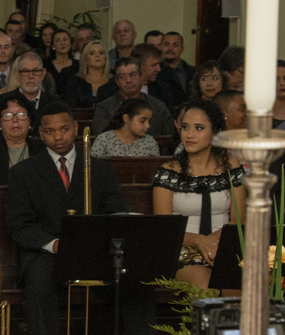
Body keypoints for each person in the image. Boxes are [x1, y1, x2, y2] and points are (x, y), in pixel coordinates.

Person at [5, 102, 157, 335]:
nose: (58, 136)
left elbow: (115, 212)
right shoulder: (23, 172)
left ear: (75, 129)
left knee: (135, 282)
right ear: (40, 134)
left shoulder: (100, 169)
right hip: (47, 251)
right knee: (38, 286)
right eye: (50, 131)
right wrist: (53, 244)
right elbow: (19, 224)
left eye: (64, 129)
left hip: (96, 251)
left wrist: (97, 243)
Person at [152, 101, 245, 291]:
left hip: (223, 247)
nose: (189, 134)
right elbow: (165, 229)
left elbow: (238, 220)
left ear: (215, 132)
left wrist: (213, 243)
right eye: (185, 127)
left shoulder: (232, 167)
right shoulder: (168, 172)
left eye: (199, 128)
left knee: (236, 288)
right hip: (181, 251)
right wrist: (198, 240)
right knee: (207, 286)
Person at [92, 59, 173, 136]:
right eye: (122, 77)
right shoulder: (105, 109)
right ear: (117, 81)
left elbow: (168, 137)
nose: (128, 80)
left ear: (140, 76)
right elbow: (102, 139)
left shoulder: (158, 107)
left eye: (133, 75)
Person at [0, 52, 56, 128]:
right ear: (17, 74)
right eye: (25, 71)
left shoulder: (55, 104)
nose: (31, 76)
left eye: (35, 71)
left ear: (43, 74)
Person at [90, 97, 161, 158]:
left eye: (149, 121)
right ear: (126, 119)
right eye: (142, 121)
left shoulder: (149, 142)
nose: (148, 126)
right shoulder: (104, 140)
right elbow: (94, 167)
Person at [63, 39, 111, 108]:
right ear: (86, 60)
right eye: (92, 53)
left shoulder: (114, 82)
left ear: (105, 59)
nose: (97, 55)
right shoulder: (74, 83)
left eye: (101, 53)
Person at [159, 31, 195, 99]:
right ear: (160, 47)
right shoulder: (155, 72)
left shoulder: (193, 72)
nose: (170, 48)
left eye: (175, 45)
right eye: (166, 44)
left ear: (182, 49)